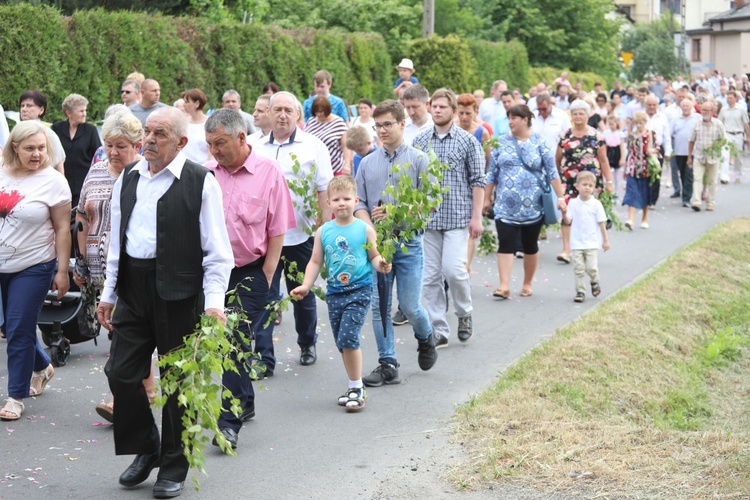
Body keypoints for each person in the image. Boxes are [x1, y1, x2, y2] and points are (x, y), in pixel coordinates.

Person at [96, 107, 233, 498]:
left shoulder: (200, 182)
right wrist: (109, 294)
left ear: (181, 142)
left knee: (176, 384)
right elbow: (116, 244)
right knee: (121, 373)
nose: (149, 140)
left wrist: (213, 304)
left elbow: (218, 252)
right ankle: (147, 447)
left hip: (180, 292)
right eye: (148, 132)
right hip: (134, 290)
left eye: (159, 134)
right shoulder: (129, 177)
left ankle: (173, 465)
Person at [204, 108, 295, 451]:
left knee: (233, 341)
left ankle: (228, 423)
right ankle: (246, 399)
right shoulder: (207, 174)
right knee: (230, 343)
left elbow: (278, 228)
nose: (215, 150)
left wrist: (268, 273)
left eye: (221, 143)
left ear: (241, 138)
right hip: (213, 272)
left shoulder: (268, 173)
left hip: (251, 272)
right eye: (210, 144)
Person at [73, 111, 153, 423]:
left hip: (133, 269)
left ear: (138, 145)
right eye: (108, 145)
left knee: (126, 334)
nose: (113, 152)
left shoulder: (144, 174)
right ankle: (147, 386)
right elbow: (82, 217)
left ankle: (120, 397)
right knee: (119, 332)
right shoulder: (95, 173)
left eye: (121, 145)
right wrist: (78, 264)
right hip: (97, 268)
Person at [354, 99, 437, 382]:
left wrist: (396, 210)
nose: (382, 130)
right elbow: (359, 203)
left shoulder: (419, 159)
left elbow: (431, 202)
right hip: (379, 244)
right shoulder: (366, 163)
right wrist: (369, 228)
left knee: (410, 306)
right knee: (379, 306)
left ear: (403, 124)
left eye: (388, 124)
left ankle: (426, 337)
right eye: (378, 126)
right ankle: (387, 363)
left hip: (409, 242)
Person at [292, 175, 392, 410]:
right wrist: (306, 285)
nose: (342, 203)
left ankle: (357, 388)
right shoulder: (323, 231)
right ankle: (353, 385)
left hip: (359, 290)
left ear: (356, 200)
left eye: (347, 198)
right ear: (328, 203)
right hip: (335, 293)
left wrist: (382, 264)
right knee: (342, 342)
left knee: (349, 338)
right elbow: (315, 261)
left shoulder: (364, 229)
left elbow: (374, 256)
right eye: (336, 199)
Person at [253, 91, 334, 372]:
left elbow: (324, 188)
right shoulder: (256, 146)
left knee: (302, 293)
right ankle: (264, 357)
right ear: (269, 113)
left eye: (289, 110)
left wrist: (323, 229)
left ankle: (307, 342)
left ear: (298, 114)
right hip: (265, 237)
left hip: (301, 234)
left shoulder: (313, 146)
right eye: (277, 110)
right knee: (265, 295)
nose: (283, 115)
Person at [0, 121, 71, 421]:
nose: (37, 154)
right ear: (14, 147)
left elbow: (62, 228)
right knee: (9, 326)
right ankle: (42, 365)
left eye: (42, 148)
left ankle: (15, 396)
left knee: (17, 328)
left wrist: (63, 270)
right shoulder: (1, 171)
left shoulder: (53, 181)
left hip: (33, 266)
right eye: (30, 148)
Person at [413, 88, 485, 345]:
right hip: (428, 221)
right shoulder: (420, 141)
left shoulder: (468, 141)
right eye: (435, 106)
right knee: (430, 276)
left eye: (443, 107)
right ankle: (439, 328)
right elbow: (413, 181)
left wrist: (477, 217)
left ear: (454, 112)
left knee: (454, 271)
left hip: (457, 218)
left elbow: (478, 181)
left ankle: (464, 313)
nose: (438, 110)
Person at [483, 104, 566, 299]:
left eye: (514, 118)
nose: (510, 122)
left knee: (530, 245)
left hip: (533, 206)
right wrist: (487, 198)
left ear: (525, 120)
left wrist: (561, 197)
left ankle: (527, 283)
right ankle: (504, 285)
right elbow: (491, 174)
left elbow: (552, 172)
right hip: (505, 205)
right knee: (505, 243)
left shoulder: (540, 142)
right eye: (509, 118)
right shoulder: (500, 143)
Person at [555, 99, 613, 264]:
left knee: (587, 215)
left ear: (588, 115)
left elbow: (603, 160)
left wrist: (609, 181)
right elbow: (557, 159)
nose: (578, 116)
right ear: (571, 116)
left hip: (589, 182)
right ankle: (566, 249)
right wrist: (557, 179)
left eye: (581, 113)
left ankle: (587, 248)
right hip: (569, 181)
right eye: (575, 114)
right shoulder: (565, 135)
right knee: (566, 212)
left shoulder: (596, 136)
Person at [563, 171, 610, 303]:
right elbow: (568, 221)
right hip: (577, 242)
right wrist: (563, 211)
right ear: (577, 186)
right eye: (584, 184)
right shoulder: (572, 203)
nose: (587, 187)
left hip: (592, 242)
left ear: (594, 188)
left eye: (590, 185)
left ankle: (594, 282)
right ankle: (580, 291)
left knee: (591, 267)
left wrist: (605, 240)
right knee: (579, 269)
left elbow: (601, 223)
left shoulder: (596, 204)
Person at [51, 93, 102, 208]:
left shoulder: (90, 130)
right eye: (81, 111)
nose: (85, 114)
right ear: (69, 113)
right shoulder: (57, 128)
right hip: (61, 183)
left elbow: (97, 156)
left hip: (84, 185)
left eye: (85, 110)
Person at [688, 102, 726, 212]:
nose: (704, 112)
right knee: (697, 179)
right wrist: (689, 157)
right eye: (702, 110)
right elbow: (691, 141)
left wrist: (714, 146)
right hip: (699, 156)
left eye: (707, 110)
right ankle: (697, 201)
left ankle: (710, 202)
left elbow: (723, 140)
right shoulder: (696, 124)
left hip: (713, 157)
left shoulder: (718, 124)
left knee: (712, 180)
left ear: (712, 112)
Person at [622, 111, 657, 229]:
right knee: (632, 192)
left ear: (645, 122)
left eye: (641, 123)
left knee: (645, 192)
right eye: (637, 123)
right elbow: (629, 151)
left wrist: (652, 151)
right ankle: (630, 219)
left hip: (646, 167)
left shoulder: (651, 134)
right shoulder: (631, 135)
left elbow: (657, 148)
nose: (639, 125)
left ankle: (644, 218)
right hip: (633, 166)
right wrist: (625, 168)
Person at [18, 90, 65, 173]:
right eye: (22, 106)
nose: (24, 109)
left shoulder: (48, 134)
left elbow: (59, 164)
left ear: (41, 110)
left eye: (29, 106)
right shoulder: (17, 133)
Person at [306, 96, 350, 175]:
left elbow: (346, 146)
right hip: (314, 168)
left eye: (321, 111)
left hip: (334, 168)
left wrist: (347, 164)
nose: (318, 114)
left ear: (327, 110)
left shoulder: (338, 122)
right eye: (316, 112)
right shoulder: (311, 121)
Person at [670, 99, 700, 207]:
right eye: (683, 106)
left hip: (693, 152)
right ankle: (686, 193)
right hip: (679, 151)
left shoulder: (697, 118)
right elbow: (670, 133)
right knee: (682, 174)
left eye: (687, 106)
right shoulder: (676, 119)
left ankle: (687, 198)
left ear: (691, 106)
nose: (685, 108)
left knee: (689, 174)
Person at [718, 90, 750, 183]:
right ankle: (724, 176)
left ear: (735, 99)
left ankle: (737, 174)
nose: (729, 100)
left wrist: (748, 136)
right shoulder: (723, 109)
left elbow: (746, 124)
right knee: (725, 155)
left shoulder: (741, 110)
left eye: (731, 98)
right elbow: (719, 123)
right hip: (726, 134)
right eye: (728, 98)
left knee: (738, 156)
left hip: (738, 134)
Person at [181, 88, 212, 164]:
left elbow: (211, 153)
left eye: (187, 102)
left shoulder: (210, 124)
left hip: (202, 169)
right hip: (184, 168)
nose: (184, 105)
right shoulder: (183, 123)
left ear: (197, 103)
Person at [603, 114, 626, 195]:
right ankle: (608, 189)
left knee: (617, 175)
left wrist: (622, 158)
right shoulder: (606, 133)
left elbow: (622, 147)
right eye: (610, 124)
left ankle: (615, 191)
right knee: (609, 172)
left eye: (613, 124)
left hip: (617, 153)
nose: (611, 126)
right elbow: (604, 146)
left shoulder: (620, 134)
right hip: (609, 152)